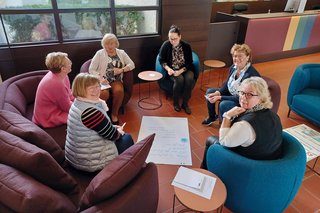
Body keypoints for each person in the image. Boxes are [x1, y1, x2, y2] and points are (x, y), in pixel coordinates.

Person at [201, 76, 283, 170]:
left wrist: (227, 116)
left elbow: (224, 141)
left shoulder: (245, 124)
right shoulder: (274, 115)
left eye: (250, 94)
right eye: (242, 93)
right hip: (268, 161)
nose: (243, 98)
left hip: (249, 165)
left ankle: (204, 171)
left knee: (210, 140)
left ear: (261, 98)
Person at [65, 73, 134, 172]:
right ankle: (128, 169)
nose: (96, 90)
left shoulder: (77, 103)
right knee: (127, 138)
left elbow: (96, 126)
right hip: (90, 163)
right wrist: (118, 131)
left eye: (98, 86)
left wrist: (111, 127)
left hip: (76, 156)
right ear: (81, 89)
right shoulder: (90, 112)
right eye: (91, 88)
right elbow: (112, 136)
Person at [202, 43, 261, 126]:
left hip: (243, 100)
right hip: (233, 92)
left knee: (223, 104)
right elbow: (228, 83)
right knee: (210, 92)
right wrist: (218, 93)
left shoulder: (250, 75)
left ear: (247, 57)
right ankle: (212, 117)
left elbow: (240, 97)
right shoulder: (234, 67)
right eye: (235, 56)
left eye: (240, 56)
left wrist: (220, 97)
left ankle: (224, 126)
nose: (236, 58)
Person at [89, 33, 135, 125]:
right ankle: (103, 116)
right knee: (103, 94)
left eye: (111, 43)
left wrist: (121, 70)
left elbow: (132, 64)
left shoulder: (121, 53)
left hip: (116, 80)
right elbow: (91, 69)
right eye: (106, 44)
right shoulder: (99, 53)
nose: (109, 46)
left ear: (116, 44)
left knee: (119, 91)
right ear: (103, 44)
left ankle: (114, 114)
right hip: (103, 81)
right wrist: (100, 79)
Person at [158, 25, 195, 114]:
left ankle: (185, 104)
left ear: (180, 37)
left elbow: (190, 62)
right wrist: (168, 69)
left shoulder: (186, 46)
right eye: (170, 38)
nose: (172, 41)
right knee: (179, 80)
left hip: (185, 68)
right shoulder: (166, 45)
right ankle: (176, 103)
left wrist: (181, 71)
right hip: (172, 69)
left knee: (189, 78)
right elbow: (161, 59)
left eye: (175, 39)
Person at [33, 52, 74, 128]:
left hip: (57, 106)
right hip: (48, 115)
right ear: (63, 69)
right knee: (81, 116)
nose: (71, 63)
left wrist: (79, 99)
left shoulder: (63, 75)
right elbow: (66, 107)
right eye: (69, 62)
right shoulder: (56, 83)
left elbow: (68, 94)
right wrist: (83, 106)